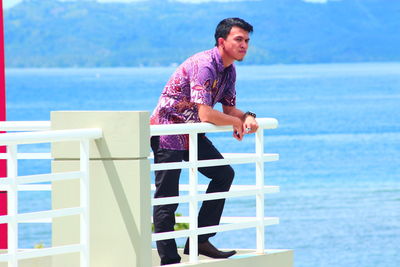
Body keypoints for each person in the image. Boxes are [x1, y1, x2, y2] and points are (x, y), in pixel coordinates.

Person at [150, 17, 258, 266]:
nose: (244, 45)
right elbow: (206, 114)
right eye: (238, 39)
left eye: (247, 41)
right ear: (222, 41)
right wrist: (237, 123)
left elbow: (229, 109)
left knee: (223, 175)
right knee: (168, 197)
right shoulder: (204, 65)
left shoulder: (229, 70)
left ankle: (200, 240)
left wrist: (248, 117)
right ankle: (169, 259)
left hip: (191, 133)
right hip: (167, 131)